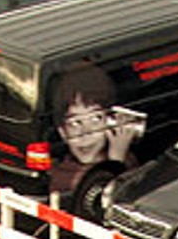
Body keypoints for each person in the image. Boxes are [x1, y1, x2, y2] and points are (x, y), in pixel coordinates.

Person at [49, 61, 144, 212]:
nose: (86, 132)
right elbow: (104, 205)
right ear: (62, 131)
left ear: (109, 121)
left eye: (96, 119)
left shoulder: (125, 156)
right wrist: (115, 161)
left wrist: (119, 155)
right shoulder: (62, 175)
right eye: (75, 123)